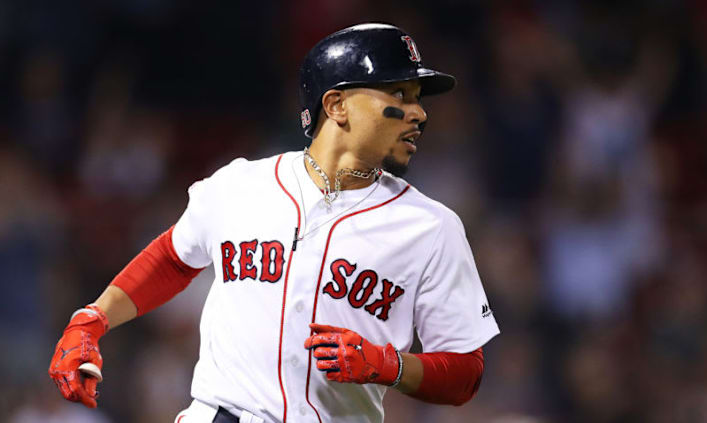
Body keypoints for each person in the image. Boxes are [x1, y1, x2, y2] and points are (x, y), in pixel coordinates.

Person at [49, 23, 500, 423]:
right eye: (398, 95)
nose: (418, 112)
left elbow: (466, 372)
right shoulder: (241, 184)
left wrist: (391, 365)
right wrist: (91, 320)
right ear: (337, 105)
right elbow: (173, 258)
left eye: (418, 99)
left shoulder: (432, 227)